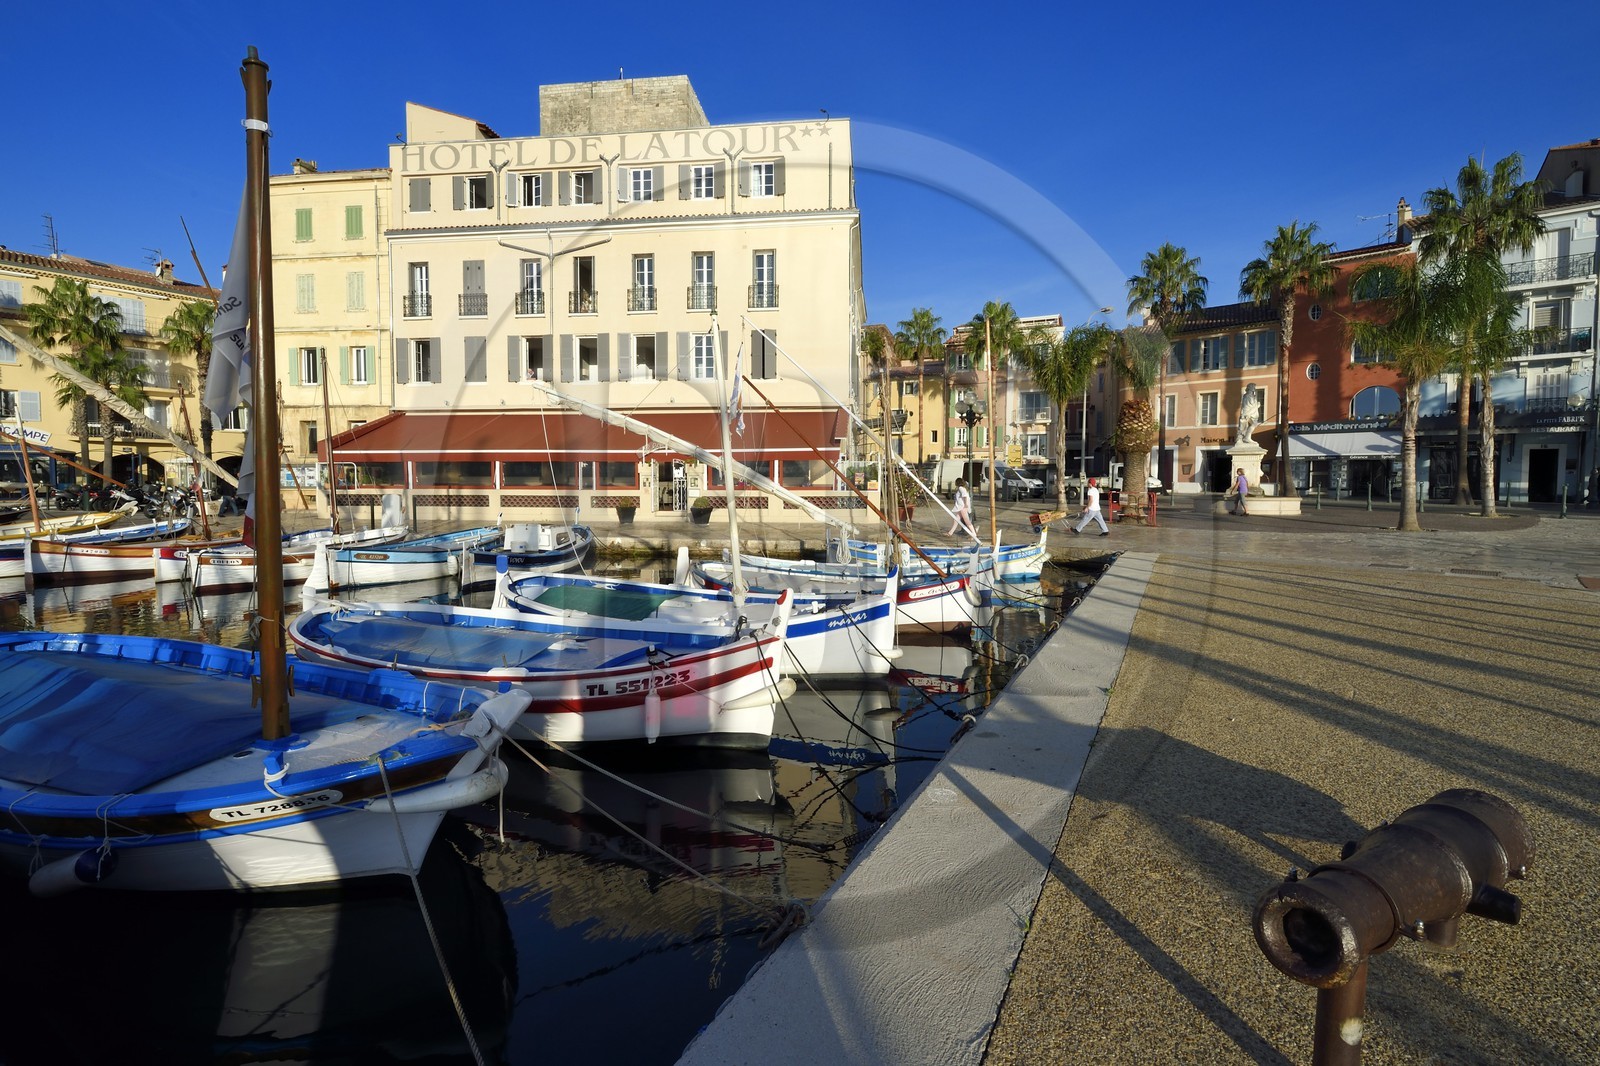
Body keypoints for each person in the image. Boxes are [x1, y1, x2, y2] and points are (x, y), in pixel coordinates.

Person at [947, 477, 978, 542]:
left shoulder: (961, 488)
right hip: (961, 507)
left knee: (967, 521)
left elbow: (965, 496)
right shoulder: (962, 488)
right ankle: (950, 532)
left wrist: (966, 505)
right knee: (956, 519)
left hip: (962, 507)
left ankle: (974, 534)